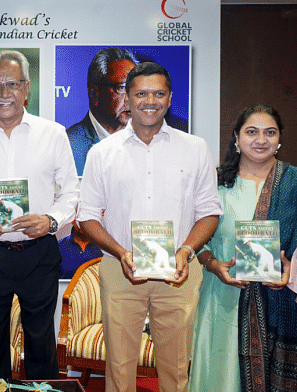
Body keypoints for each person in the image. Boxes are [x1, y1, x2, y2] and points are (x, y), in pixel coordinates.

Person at [77, 62, 222, 392]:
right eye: (141, 93)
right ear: (127, 98)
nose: (150, 101)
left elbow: (209, 212)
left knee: (175, 367)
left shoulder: (195, 148)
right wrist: (120, 251)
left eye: (159, 93)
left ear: (170, 98)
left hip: (179, 271)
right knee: (119, 365)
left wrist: (186, 250)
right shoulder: (102, 153)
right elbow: (87, 216)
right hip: (120, 268)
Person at [0, 50, 79, 391]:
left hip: (39, 253)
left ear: (26, 89)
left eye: (12, 84)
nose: (4, 92)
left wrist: (51, 221)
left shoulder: (52, 134)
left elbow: (71, 192)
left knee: (41, 342)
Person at [189, 104, 296, 392]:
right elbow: (196, 240)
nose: (261, 140)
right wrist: (213, 264)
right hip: (222, 297)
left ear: (279, 139)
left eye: (269, 132)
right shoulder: (214, 184)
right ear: (236, 138)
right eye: (251, 132)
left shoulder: (293, 184)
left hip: (280, 300)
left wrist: (291, 271)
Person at [67, 47, 137, 176]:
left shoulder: (148, 141)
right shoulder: (68, 145)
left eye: (135, 89)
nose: (130, 98)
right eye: (121, 87)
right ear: (94, 93)